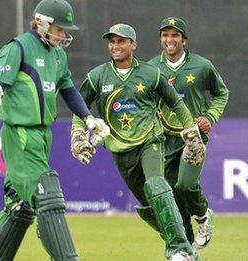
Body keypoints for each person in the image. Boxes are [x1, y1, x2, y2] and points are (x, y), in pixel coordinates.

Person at [0, 0, 110, 260]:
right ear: (42, 22)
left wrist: (88, 118)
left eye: (66, 30)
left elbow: (68, 89)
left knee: (19, 208)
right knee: (47, 193)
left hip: (44, 136)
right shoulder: (17, 48)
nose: (64, 35)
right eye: (60, 28)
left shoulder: (58, 55)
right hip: (20, 134)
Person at [70, 23, 204, 261]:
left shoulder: (151, 74)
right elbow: (79, 107)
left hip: (150, 140)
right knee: (151, 207)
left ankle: (178, 250)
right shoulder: (97, 76)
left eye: (121, 41)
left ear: (133, 44)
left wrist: (191, 132)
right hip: (120, 150)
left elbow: (176, 103)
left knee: (156, 186)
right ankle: (187, 249)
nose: (115, 46)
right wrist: (78, 135)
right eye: (112, 41)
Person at [148, 17, 229, 249]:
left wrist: (210, 117)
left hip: (193, 139)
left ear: (184, 39)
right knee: (171, 196)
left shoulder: (202, 66)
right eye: (165, 35)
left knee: (185, 185)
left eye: (174, 35)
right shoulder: (151, 68)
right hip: (164, 140)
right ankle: (186, 246)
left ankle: (203, 216)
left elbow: (221, 93)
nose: (169, 40)